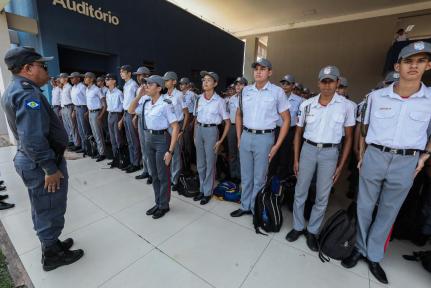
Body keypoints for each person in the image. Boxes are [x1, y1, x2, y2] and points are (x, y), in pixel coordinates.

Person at [342, 41, 431, 285]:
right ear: (397, 66)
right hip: (375, 156)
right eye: (408, 61)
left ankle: (374, 255)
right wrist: (361, 155)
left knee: (389, 211)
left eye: (420, 61)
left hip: (407, 161)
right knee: (364, 205)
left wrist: (424, 157)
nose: (414, 66)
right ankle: (359, 248)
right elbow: (364, 129)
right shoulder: (376, 96)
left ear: (428, 65)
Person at [1, 46, 84, 271]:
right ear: (28, 68)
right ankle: (51, 255)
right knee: (49, 207)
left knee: (43, 205)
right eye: (42, 66)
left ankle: (52, 243)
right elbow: (33, 138)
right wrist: (49, 168)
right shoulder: (27, 93)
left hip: (32, 160)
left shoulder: (17, 89)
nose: (47, 71)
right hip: (40, 164)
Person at [285, 66, 355, 252]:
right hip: (308, 149)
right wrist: (297, 158)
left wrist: (341, 165)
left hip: (330, 153)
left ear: (337, 82)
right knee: (301, 191)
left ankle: (312, 231)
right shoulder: (307, 104)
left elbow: (349, 138)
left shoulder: (347, 106)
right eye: (323, 81)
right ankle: (298, 227)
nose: (327, 85)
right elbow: (298, 132)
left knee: (322, 196)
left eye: (331, 81)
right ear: (318, 83)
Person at [231, 58, 291, 217]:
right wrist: (239, 137)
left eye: (262, 69)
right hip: (246, 136)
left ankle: (255, 208)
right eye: (256, 68)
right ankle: (244, 206)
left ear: (269, 72)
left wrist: (277, 145)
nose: (258, 71)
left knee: (259, 178)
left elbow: (286, 119)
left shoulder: (277, 92)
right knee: (246, 175)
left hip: (265, 139)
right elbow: (238, 115)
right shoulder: (245, 91)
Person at [141, 75, 180, 219]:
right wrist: (139, 94)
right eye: (146, 84)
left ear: (159, 88)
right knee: (154, 174)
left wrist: (170, 151)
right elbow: (131, 110)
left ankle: (164, 205)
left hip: (162, 140)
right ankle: (158, 202)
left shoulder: (165, 103)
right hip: (148, 139)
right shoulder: (146, 103)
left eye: (150, 85)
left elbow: (175, 127)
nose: (146, 87)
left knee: (163, 175)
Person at [193, 71, 230, 205]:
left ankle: (208, 192)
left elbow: (227, 122)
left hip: (212, 131)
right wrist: (194, 135)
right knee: (200, 163)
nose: (205, 82)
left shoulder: (219, 101)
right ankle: (201, 189)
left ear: (215, 83)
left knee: (210, 163)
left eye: (209, 80)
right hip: (200, 130)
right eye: (204, 80)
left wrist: (220, 141)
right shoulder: (199, 98)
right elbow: (196, 118)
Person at [269, 74, 302, 179]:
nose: (285, 86)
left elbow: (299, 119)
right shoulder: (274, 97)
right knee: (272, 156)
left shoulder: (299, 101)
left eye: (288, 84)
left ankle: (281, 183)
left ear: (293, 86)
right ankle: (270, 181)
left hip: (289, 132)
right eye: (283, 83)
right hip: (276, 130)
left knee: (285, 157)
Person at [162, 71, 189, 191]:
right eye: (165, 80)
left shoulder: (179, 95)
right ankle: (169, 176)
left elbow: (186, 113)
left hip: (177, 126)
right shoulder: (164, 96)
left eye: (167, 80)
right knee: (168, 151)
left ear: (174, 81)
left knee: (176, 153)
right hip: (167, 126)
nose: (165, 82)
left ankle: (175, 179)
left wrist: (182, 130)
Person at [129, 66, 152, 183]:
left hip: (149, 120)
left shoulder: (151, 88)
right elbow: (138, 105)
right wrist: (136, 116)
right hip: (141, 118)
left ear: (147, 76)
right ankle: (146, 170)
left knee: (149, 147)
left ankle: (152, 173)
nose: (138, 77)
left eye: (140, 75)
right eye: (137, 75)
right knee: (143, 146)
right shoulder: (139, 89)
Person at [119, 65, 141, 173]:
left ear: (129, 73)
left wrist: (134, 115)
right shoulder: (126, 85)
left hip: (132, 114)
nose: (121, 73)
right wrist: (123, 116)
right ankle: (132, 161)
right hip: (126, 113)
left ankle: (136, 163)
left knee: (134, 139)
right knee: (129, 139)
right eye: (121, 72)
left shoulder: (133, 85)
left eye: (123, 72)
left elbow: (137, 101)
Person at [226, 76, 247, 183]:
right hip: (232, 127)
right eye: (237, 84)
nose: (238, 86)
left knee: (241, 153)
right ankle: (232, 174)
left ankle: (240, 176)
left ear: (246, 86)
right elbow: (228, 113)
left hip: (244, 127)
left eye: (241, 84)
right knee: (232, 152)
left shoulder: (248, 98)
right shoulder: (232, 98)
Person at [84, 72, 107, 161]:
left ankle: (102, 153)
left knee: (98, 133)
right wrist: (87, 112)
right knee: (94, 133)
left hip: (96, 113)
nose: (85, 79)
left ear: (92, 79)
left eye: (87, 77)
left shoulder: (96, 89)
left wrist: (101, 115)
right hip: (90, 112)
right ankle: (98, 151)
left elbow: (104, 104)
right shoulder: (87, 89)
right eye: (85, 77)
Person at [104, 73, 124, 168]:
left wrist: (121, 118)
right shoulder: (107, 92)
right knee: (112, 138)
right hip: (110, 114)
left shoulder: (119, 93)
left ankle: (120, 158)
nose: (106, 81)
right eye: (106, 79)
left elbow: (124, 105)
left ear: (114, 81)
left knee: (117, 138)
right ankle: (115, 159)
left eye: (108, 79)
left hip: (116, 115)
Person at [179, 77, 196, 174]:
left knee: (188, 143)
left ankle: (188, 166)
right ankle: (184, 164)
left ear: (188, 85)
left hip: (189, 117)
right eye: (180, 84)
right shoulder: (180, 94)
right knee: (183, 143)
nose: (181, 86)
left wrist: (193, 122)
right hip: (182, 117)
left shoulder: (192, 95)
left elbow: (196, 109)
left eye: (183, 84)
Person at [69, 72, 89, 153]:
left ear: (78, 78)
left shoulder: (82, 87)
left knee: (84, 129)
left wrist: (87, 111)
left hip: (83, 108)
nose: (71, 79)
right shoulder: (73, 87)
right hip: (76, 108)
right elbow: (74, 100)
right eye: (71, 78)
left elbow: (88, 99)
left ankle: (88, 148)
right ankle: (83, 147)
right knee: (80, 129)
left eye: (73, 78)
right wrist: (74, 110)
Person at [59, 72, 79, 150]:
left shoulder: (69, 87)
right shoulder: (63, 87)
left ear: (66, 79)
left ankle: (76, 142)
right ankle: (71, 141)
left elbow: (73, 99)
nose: (60, 79)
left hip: (70, 106)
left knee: (72, 126)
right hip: (64, 107)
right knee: (67, 126)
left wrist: (73, 109)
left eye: (62, 78)